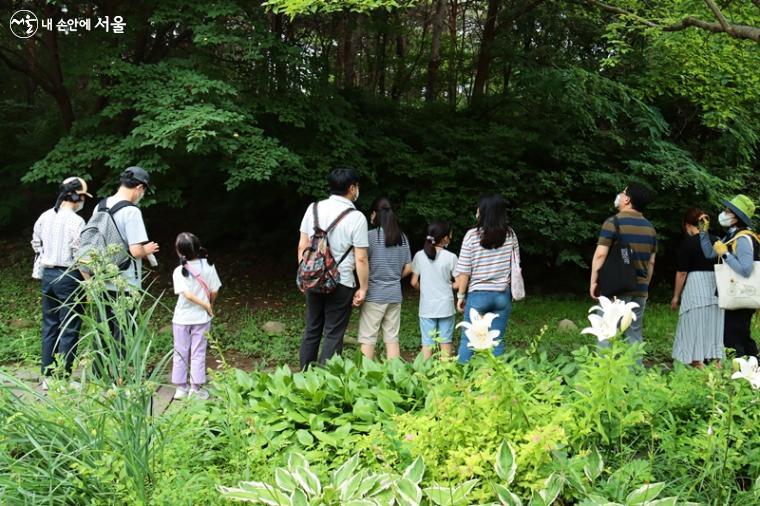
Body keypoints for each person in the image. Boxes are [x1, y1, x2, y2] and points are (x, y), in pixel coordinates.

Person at [297, 167, 369, 369]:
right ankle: (323, 381)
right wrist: (363, 288)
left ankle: (304, 377)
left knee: (312, 329)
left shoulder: (313, 209)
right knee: (334, 332)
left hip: (313, 279)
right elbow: (361, 258)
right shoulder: (356, 218)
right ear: (352, 188)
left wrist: (305, 276)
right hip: (342, 281)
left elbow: (303, 246)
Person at [94, 167, 159, 377]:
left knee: (103, 327)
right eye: (144, 191)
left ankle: (100, 373)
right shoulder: (131, 211)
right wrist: (147, 249)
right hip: (125, 281)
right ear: (139, 187)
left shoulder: (100, 206)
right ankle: (121, 374)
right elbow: (135, 250)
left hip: (101, 277)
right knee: (123, 328)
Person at [31, 177, 92, 389]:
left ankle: (47, 376)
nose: (83, 201)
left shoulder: (44, 216)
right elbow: (81, 256)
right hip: (69, 275)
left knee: (50, 325)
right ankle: (63, 378)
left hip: (47, 274)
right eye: (83, 197)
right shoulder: (77, 221)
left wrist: (46, 255)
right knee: (70, 327)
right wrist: (90, 283)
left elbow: (36, 243)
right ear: (75, 196)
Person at [589, 183, 657, 348]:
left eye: (623, 192)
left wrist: (594, 282)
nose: (620, 194)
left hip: (615, 287)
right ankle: (635, 372)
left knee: (606, 333)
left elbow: (600, 254)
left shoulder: (613, 222)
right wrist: (645, 288)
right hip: (639, 290)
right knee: (634, 335)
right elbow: (651, 262)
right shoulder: (650, 228)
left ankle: (604, 372)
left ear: (627, 199)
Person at [454, 194, 519, 363]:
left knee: (468, 341)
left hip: (477, 297)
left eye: (478, 208)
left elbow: (464, 271)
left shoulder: (471, 236)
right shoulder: (510, 235)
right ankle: (495, 382)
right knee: (496, 342)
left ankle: (461, 380)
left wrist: (461, 296)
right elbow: (515, 266)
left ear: (483, 212)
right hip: (501, 296)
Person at [698, 195, 758, 358]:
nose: (723, 213)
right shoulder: (731, 235)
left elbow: (746, 270)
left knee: (733, 337)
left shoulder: (744, 238)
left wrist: (725, 255)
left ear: (736, 217)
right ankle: (753, 368)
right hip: (734, 293)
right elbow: (709, 253)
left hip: (741, 294)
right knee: (741, 336)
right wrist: (703, 232)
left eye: (728, 211)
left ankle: (738, 372)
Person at [358, 197, 412, 361]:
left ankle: (365, 377)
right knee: (392, 338)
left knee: (368, 337)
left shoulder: (370, 236)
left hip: (374, 294)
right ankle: (394, 376)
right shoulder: (402, 237)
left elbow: (362, 261)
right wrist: (394, 277)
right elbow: (409, 268)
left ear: (374, 214)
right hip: (394, 294)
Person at [171, 233, 221, 400]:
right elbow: (214, 290)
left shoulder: (179, 271)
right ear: (199, 247)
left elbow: (186, 294)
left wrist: (206, 305)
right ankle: (196, 388)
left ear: (179, 251)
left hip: (181, 318)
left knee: (180, 351)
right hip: (201, 318)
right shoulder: (208, 266)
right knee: (198, 352)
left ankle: (181, 388)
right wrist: (208, 305)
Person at [671, 207, 723, 368]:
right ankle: (716, 362)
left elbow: (682, 273)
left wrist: (676, 296)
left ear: (687, 225)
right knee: (714, 324)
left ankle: (696, 360)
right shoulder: (717, 240)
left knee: (693, 323)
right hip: (716, 285)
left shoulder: (688, 243)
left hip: (696, 285)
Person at [411, 221, 458, 359]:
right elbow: (460, 283)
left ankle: (425, 374)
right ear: (445, 238)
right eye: (450, 234)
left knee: (427, 343)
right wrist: (448, 287)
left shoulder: (419, 255)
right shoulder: (451, 257)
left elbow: (413, 282)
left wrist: (424, 289)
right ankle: (446, 375)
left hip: (427, 307)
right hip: (446, 306)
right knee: (446, 342)